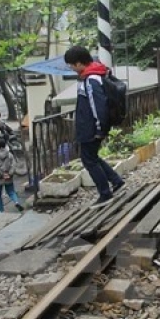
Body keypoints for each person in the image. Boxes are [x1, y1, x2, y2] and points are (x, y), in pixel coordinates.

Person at [63, 45, 125, 209]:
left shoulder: (91, 79)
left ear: (78, 63)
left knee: (88, 159)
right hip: (92, 126)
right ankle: (116, 181)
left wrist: (99, 129)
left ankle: (105, 194)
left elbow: (98, 106)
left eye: (71, 64)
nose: (70, 67)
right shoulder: (97, 73)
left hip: (91, 127)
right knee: (92, 157)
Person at [0, 138, 24, 213]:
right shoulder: (9, 154)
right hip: (8, 177)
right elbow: (13, 165)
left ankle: (0, 210)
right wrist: (10, 173)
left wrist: (0, 174)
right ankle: (16, 202)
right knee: (11, 191)